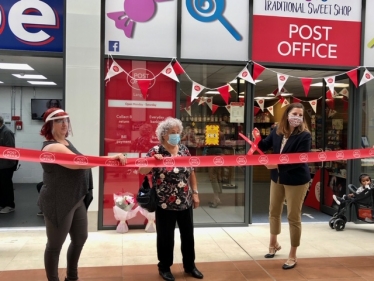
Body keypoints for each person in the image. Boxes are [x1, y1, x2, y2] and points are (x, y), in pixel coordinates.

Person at [38, 107, 127, 281]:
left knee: (80, 238)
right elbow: (78, 163)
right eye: (59, 121)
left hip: (76, 198)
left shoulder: (65, 142)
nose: (64, 124)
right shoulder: (53, 146)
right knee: (55, 245)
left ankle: (72, 277)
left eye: (66, 120)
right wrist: (109, 159)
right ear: (50, 125)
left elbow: (82, 159)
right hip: (58, 200)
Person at [139, 117, 203, 281]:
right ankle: (164, 267)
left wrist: (195, 193)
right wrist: (154, 162)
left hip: (185, 200)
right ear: (163, 135)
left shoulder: (184, 150)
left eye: (177, 132)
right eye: (172, 133)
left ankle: (190, 266)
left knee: (188, 236)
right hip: (164, 202)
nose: (176, 135)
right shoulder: (155, 151)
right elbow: (142, 170)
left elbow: (192, 172)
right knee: (165, 237)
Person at [256, 103, 311, 270]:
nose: (297, 117)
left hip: (297, 180)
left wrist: (277, 165)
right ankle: (273, 245)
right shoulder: (277, 130)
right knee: (274, 211)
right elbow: (263, 145)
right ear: (287, 115)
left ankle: (293, 255)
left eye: (300, 115)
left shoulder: (305, 135)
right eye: (295, 113)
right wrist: (256, 138)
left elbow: (300, 159)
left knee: (293, 217)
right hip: (277, 178)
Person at [0, 116, 17, 214]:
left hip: (7, 165)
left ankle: (10, 205)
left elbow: (10, 150)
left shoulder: (7, 132)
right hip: (0, 164)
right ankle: (2, 204)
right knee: (0, 185)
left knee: (6, 185)